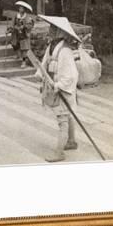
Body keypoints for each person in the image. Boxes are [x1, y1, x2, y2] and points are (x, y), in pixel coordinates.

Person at [34, 15, 81, 162]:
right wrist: (39, 73)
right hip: (54, 85)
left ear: (60, 32)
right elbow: (44, 62)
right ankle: (71, 141)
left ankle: (59, 152)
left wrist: (59, 85)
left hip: (64, 89)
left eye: (54, 28)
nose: (50, 30)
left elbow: (71, 75)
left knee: (63, 119)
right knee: (69, 114)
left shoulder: (65, 51)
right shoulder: (51, 46)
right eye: (51, 27)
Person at [8, 1, 35, 68]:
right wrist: (10, 29)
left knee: (24, 48)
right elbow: (12, 23)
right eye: (20, 8)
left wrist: (24, 26)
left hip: (24, 34)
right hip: (16, 33)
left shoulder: (28, 17)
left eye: (22, 8)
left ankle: (24, 62)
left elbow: (30, 25)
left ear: (24, 9)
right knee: (15, 44)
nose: (20, 9)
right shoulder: (16, 16)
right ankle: (17, 55)